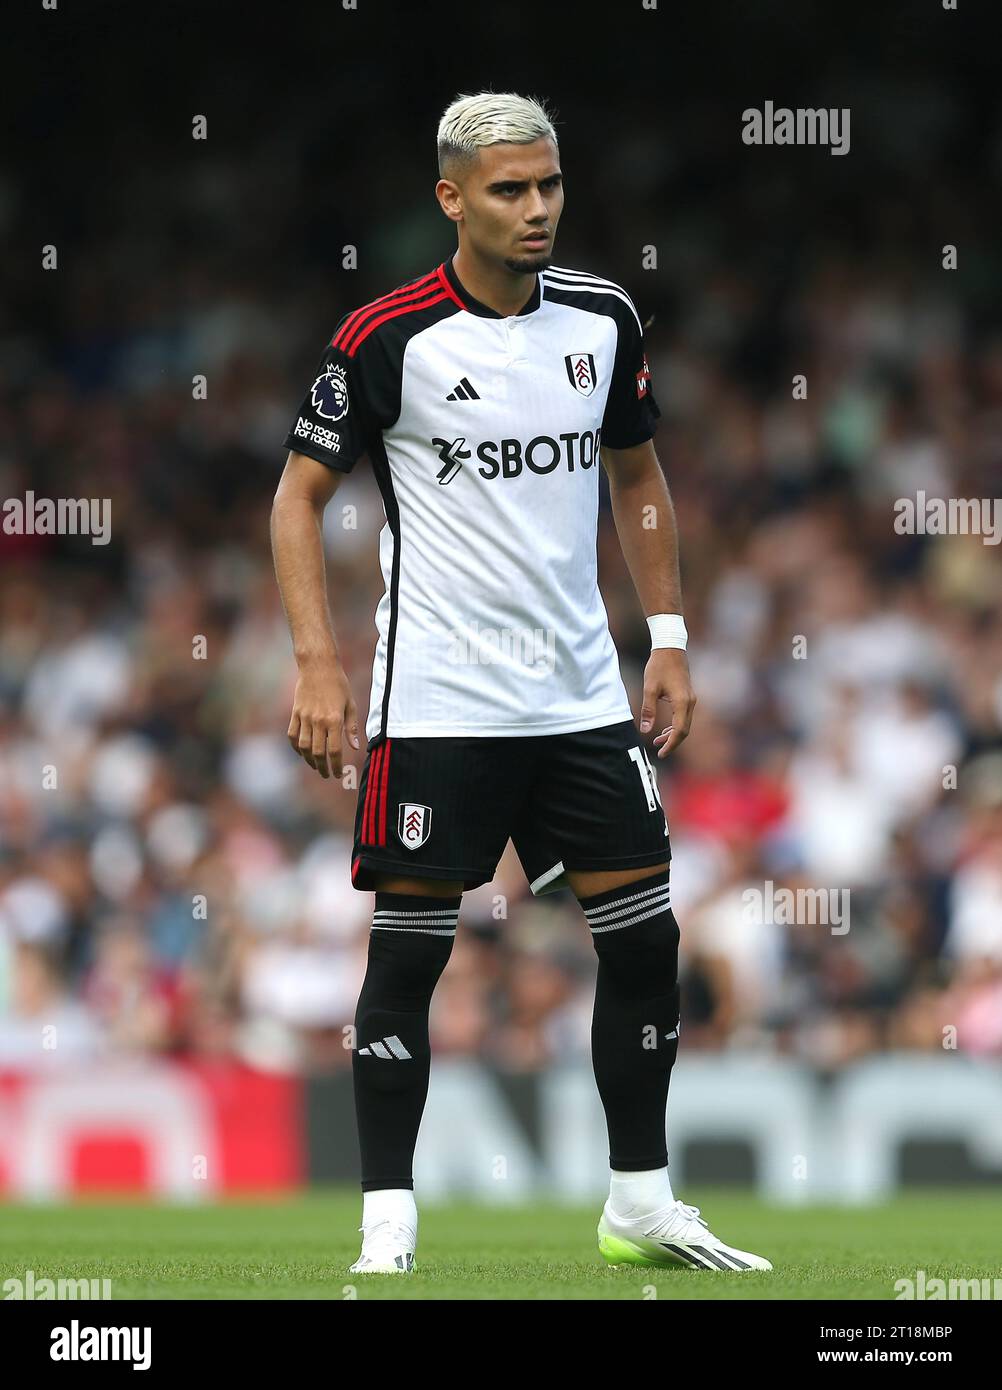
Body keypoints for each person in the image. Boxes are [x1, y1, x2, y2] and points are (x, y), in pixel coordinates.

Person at [271, 90, 771, 1275]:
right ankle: (386, 1222)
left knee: (647, 942)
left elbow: (638, 477)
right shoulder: (386, 336)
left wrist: (672, 635)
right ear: (453, 198)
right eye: (510, 189)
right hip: (436, 695)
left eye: (549, 185)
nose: (538, 208)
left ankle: (640, 1205)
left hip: (580, 696)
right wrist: (317, 662)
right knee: (410, 955)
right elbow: (297, 496)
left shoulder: (602, 318)